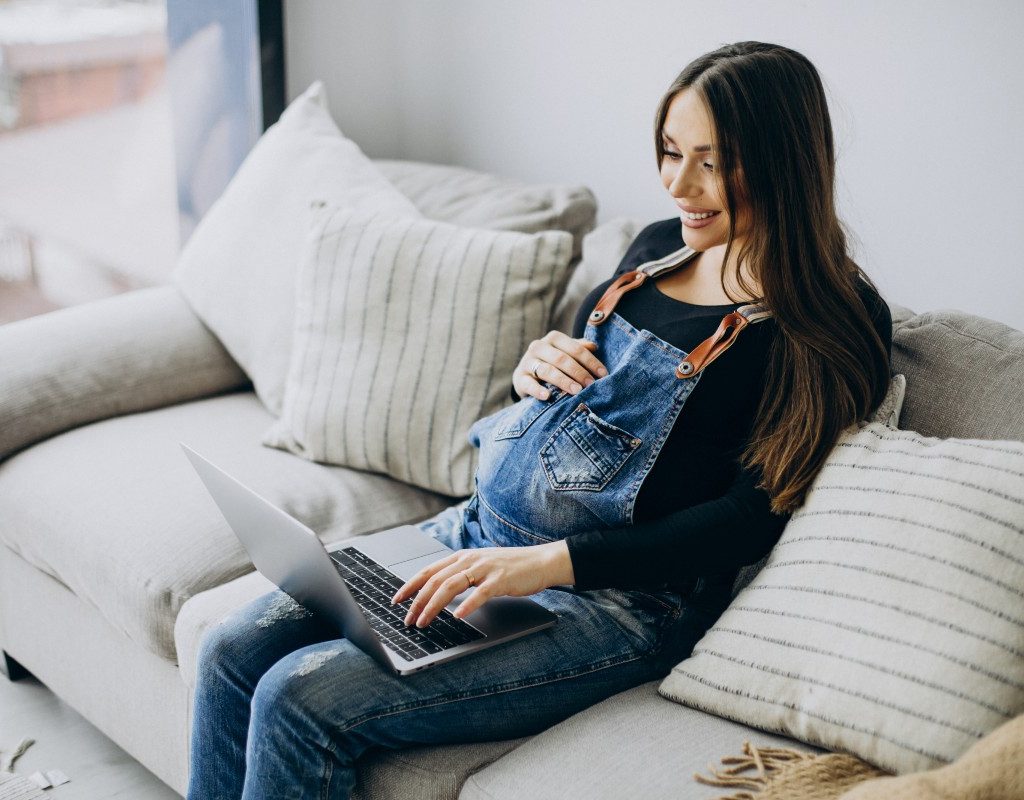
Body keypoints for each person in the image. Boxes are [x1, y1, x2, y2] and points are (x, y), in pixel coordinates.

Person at [186, 41, 893, 799]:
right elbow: (587, 404)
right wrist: (536, 370)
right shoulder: (656, 249)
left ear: (783, 162)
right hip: (474, 536)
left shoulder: (832, 319)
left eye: (712, 163)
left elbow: (752, 518)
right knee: (231, 646)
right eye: (669, 151)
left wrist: (551, 564)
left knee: (302, 698)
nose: (678, 184)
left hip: (615, 604)